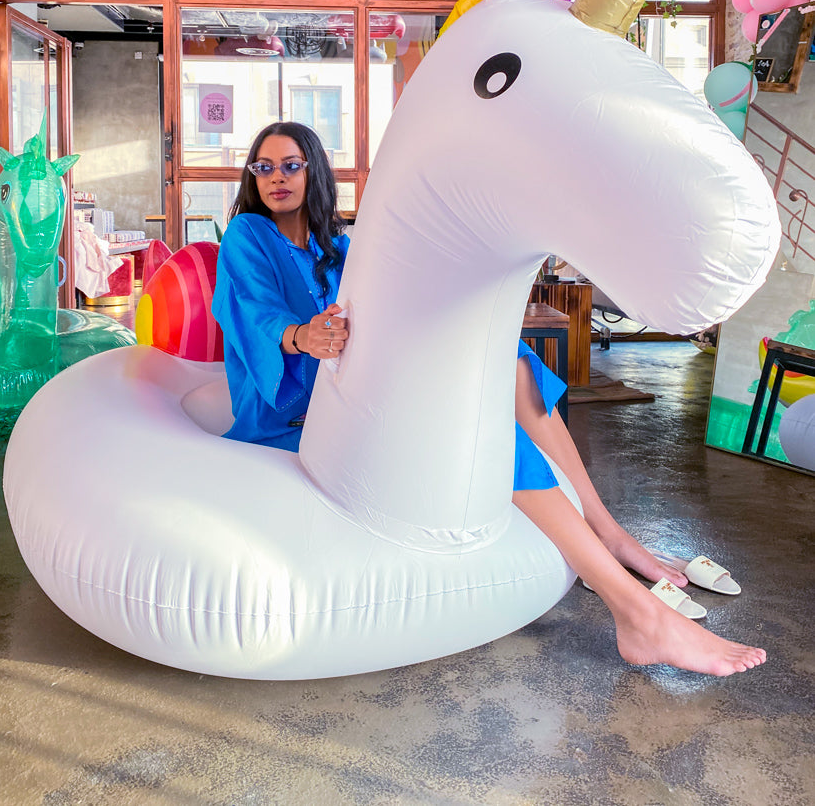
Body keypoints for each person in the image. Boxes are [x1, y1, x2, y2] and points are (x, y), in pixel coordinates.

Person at [213, 121, 766, 677]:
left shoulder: (341, 244)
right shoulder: (248, 236)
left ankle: (607, 528)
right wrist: (301, 337)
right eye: (263, 167)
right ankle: (637, 613)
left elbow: (387, 309)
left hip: (351, 383)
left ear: (314, 169)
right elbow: (256, 316)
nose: (276, 178)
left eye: (291, 165)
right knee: (484, 429)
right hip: (293, 409)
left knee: (514, 363)